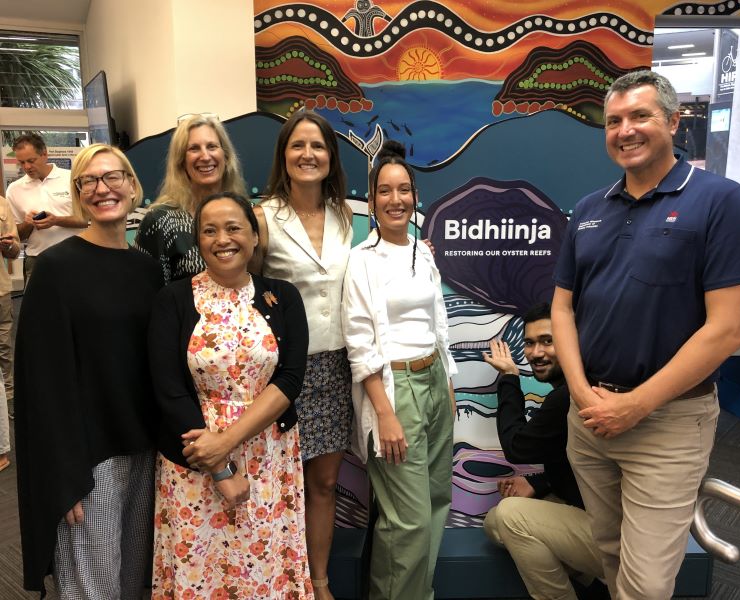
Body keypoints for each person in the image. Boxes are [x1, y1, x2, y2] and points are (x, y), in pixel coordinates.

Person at [551, 70, 740, 600]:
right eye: (613, 121)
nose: (625, 130)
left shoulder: (719, 201)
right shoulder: (589, 209)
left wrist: (636, 405)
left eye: (640, 116)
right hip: (590, 418)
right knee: (609, 551)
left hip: (668, 424)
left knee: (647, 584)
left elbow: (727, 330)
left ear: (674, 122)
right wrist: (581, 394)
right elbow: (562, 308)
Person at [14, 143, 161, 596]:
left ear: (132, 186)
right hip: (88, 462)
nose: (102, 189)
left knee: (136, 585)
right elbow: (40, 383)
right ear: (78, 193)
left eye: (112, 177)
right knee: (92, 591)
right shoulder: (57, 268)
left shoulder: (147, 269)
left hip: (144, 454)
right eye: (89, 181)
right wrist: (62, 476)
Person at [149, 192, 312, 598]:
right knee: (200, 569)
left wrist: (227, 440)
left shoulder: (284, 296)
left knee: (264, 566)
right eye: (209, 230)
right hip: (195, 456)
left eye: (234, 227)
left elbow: (290, 379)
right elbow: (168, 389)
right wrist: (218, 465)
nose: (223, 239)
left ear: (255, 237)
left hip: (266, 457)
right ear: (198, 241)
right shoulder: (174, 299)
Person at [342, 140, 456, 600]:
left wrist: (447, 380)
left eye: (404, 190)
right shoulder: (361, 261)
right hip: (394, 389)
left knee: (434, 506)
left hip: (433, 383)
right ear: (371, 202)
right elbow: (360, 343)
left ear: (415, 197)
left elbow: (439, 320)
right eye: (385, 191)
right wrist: (385, 413)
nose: (396, 200)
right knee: (406, 520)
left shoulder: (422, 253)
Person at [253, 110, 353, 599]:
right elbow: (243, 291)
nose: (308, 154)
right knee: (276, 481)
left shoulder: (348, 215)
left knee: (325, 483)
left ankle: (319, 583)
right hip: (283, 370)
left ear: (331, 157)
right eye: (298, 146)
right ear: (283, 156)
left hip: (336, 365)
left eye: (317, 146)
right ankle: (277, 580)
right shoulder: (263, 218)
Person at [482, 303, 608, 600]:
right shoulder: (580, 383)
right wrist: (540, 483)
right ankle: (597, 586)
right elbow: (576, 458)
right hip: (597, 515)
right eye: (530, 342)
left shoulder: (568, 396)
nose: (537, 352)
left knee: (510, 515)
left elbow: (516, 447)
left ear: (572, 339)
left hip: (620, 537)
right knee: (495, 523)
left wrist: (510, 378)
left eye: (548, 341)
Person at [135, 113, 249, 284]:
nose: (205, 156)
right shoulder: (161, 221)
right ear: (181, 161)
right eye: (194, 149)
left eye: (212, 146)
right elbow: (150, 293)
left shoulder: (245, 212)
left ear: (226, 156)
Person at [6, 133, 88, 284]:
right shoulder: (14, 189)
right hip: (37, 259)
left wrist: (56, 220)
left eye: (31, 160)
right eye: (21, 162)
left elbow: (87, 220)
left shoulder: (72, 179)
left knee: (80, 306)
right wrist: (28, 223)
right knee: (38, 307)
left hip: (77, 256)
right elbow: (17, 234)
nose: (27, 167)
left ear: (44, 154)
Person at [0, 193, 19, 451]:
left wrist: (8, 246)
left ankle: (9, 404)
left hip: (0, 290)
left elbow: (15, 251)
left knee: (4, 349)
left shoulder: (2, 203)